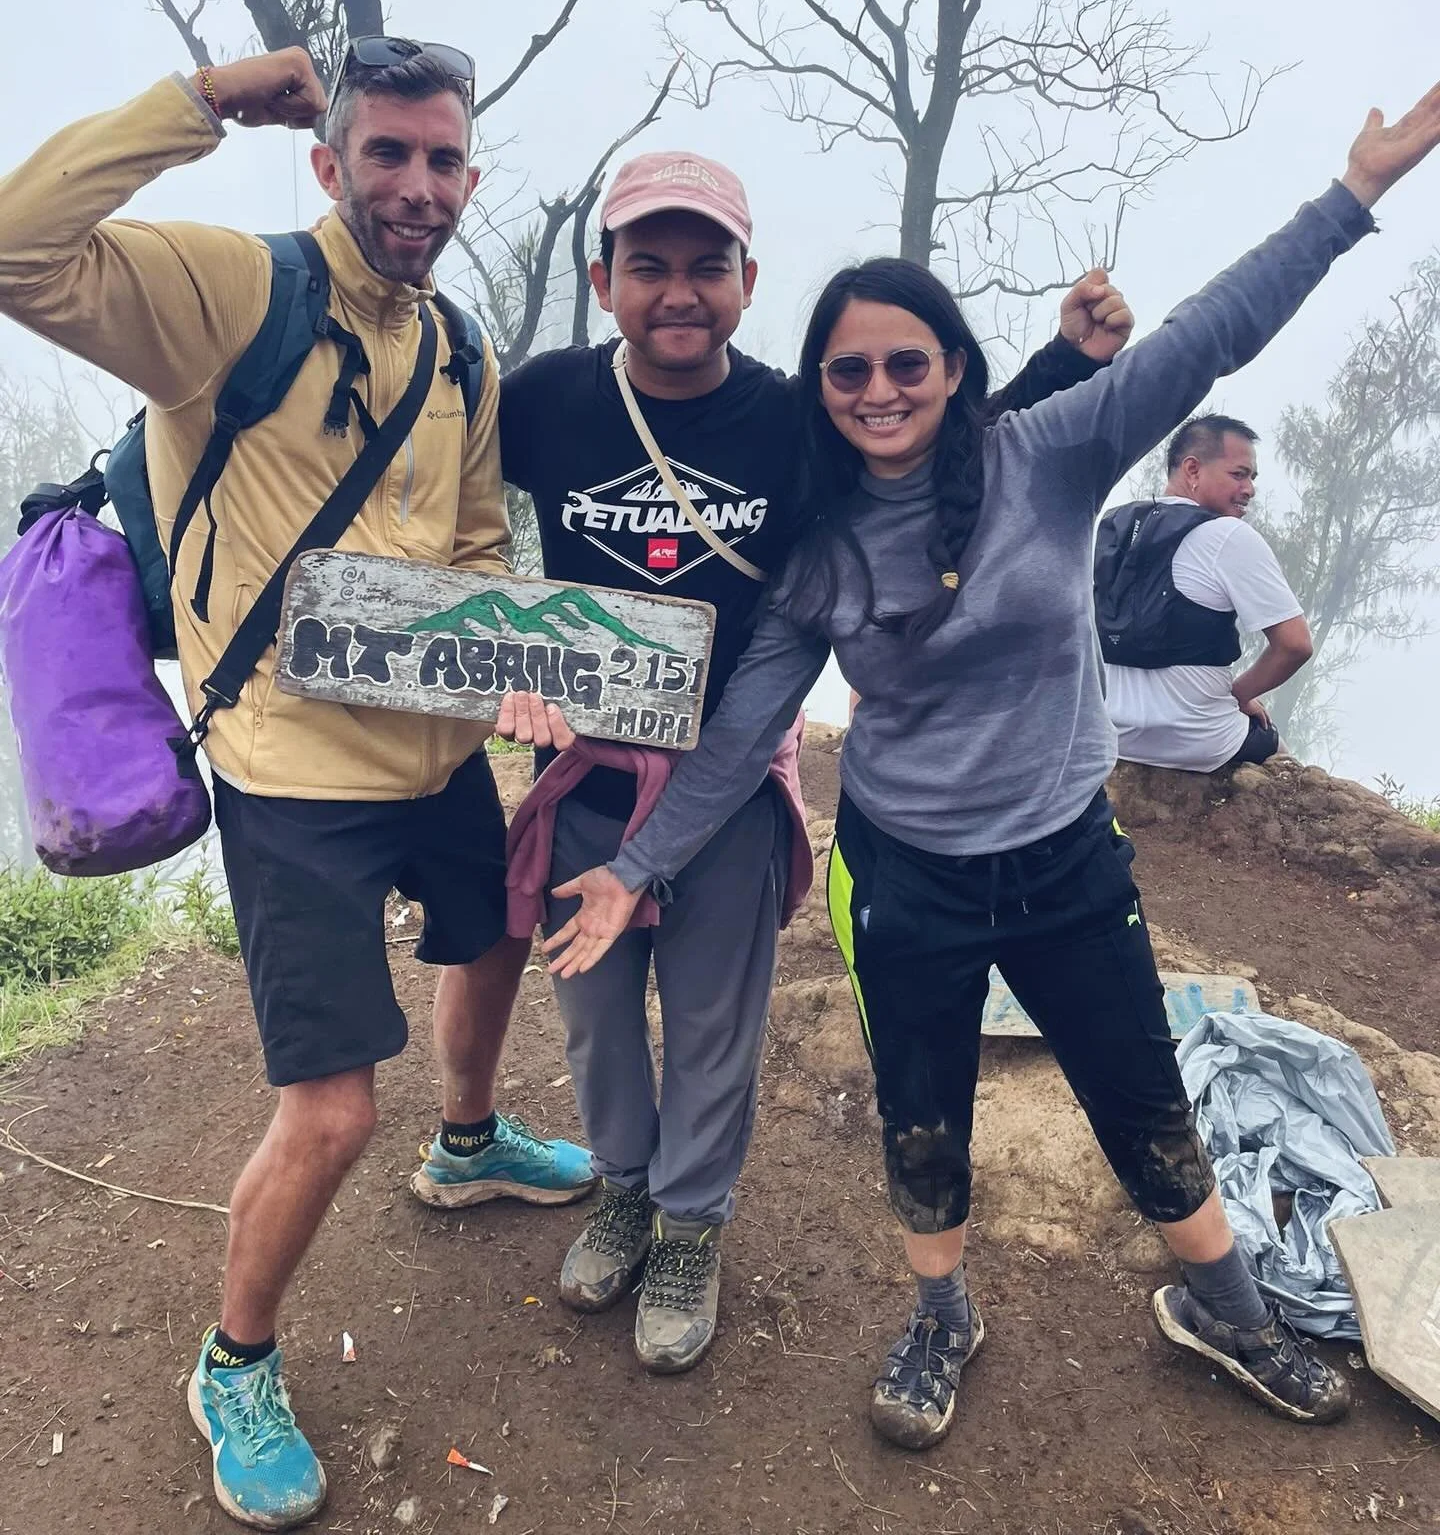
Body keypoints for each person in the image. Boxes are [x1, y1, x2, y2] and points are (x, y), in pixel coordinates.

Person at [546, 81, 1440, 1445]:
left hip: (1067, 851)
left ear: (956, 369)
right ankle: (938, 1314)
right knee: (923, 1111)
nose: (879, 390)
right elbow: (744, 733)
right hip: (905, 870)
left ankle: (1225, 1305)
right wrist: (634, 869)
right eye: (849, 371)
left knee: (1139, 1089)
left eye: (908, 362)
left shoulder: (1052, 451)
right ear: (824, 390)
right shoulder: (821, 548)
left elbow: (1210, 336)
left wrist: (1354, 193)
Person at [0, 43, 591, 1530]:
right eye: (387, 153)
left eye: (445, 159)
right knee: (329, 1115)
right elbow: (16, 249)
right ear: (329, 163)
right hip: (289, 778)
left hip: (434, 755)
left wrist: (510, 665)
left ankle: (466, 1149)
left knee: (496, 927)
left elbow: (465, 550)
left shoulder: (460, 349)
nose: (419, 185)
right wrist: (197, 101)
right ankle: (236, 1358)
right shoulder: (235, 298)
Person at [450, 149, 1135, 1375]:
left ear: (748, 278)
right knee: (595, 1012)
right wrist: (488, 628)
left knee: (714, 1021)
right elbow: (430, 496)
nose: (679, 291)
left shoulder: (783, 417)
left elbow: (931, 444)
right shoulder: (547, 399)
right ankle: (623, 1187)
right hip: (587, 776)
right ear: (603, 280)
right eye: (648, 265)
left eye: (707, 265)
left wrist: (1069, 364)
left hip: (728, 777)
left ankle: (692, 1226)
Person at [1096, 415, 1312, 769]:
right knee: (1290, 774)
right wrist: (1238, 696)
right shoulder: (1228, 535)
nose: (1250, 490)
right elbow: (1295, 644)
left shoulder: (1114, 527)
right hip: (1200, 739)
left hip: (1114, 733)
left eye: (1252, 478)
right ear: (1192, 470)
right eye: (1239, 474)